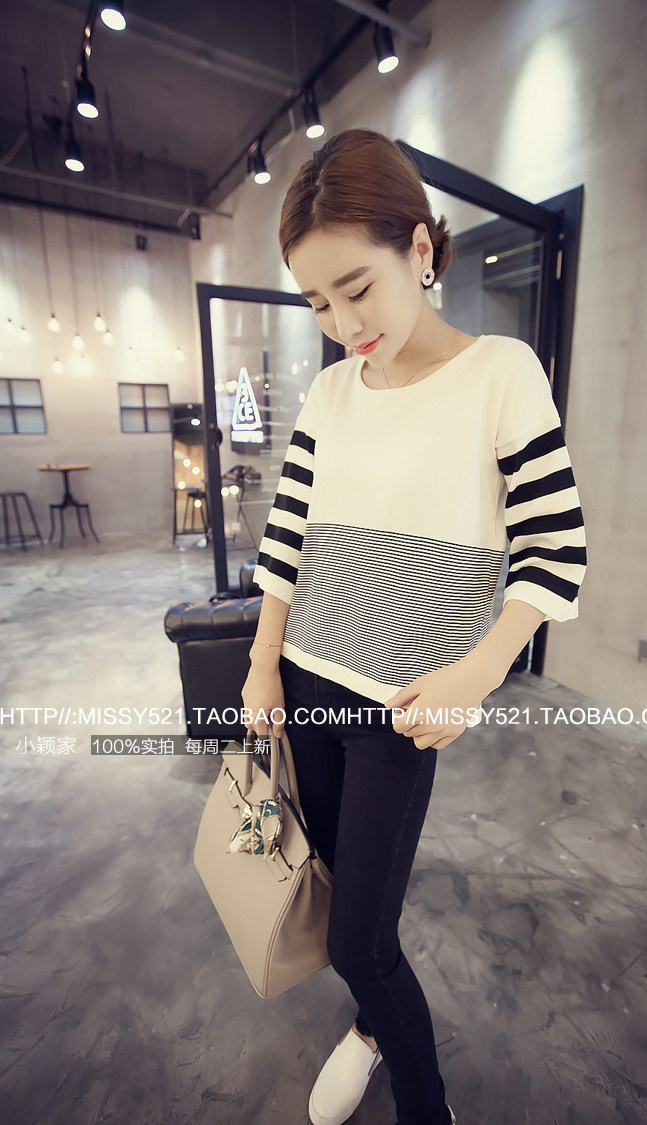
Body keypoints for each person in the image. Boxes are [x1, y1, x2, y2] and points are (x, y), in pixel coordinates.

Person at [243, 128, 587, 1125]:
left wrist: (477, 673)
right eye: (318, 303)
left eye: (358, 288)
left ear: (422, 250)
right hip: (306, 681)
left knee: (358, 938)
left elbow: (555, 549)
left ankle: (423, 1104)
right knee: (336, 894)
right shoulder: (330, 392)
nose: (343, 323)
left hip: (401, 706)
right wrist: (263, 664)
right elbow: (288, 535)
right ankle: (371, 1026)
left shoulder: (500, 374)